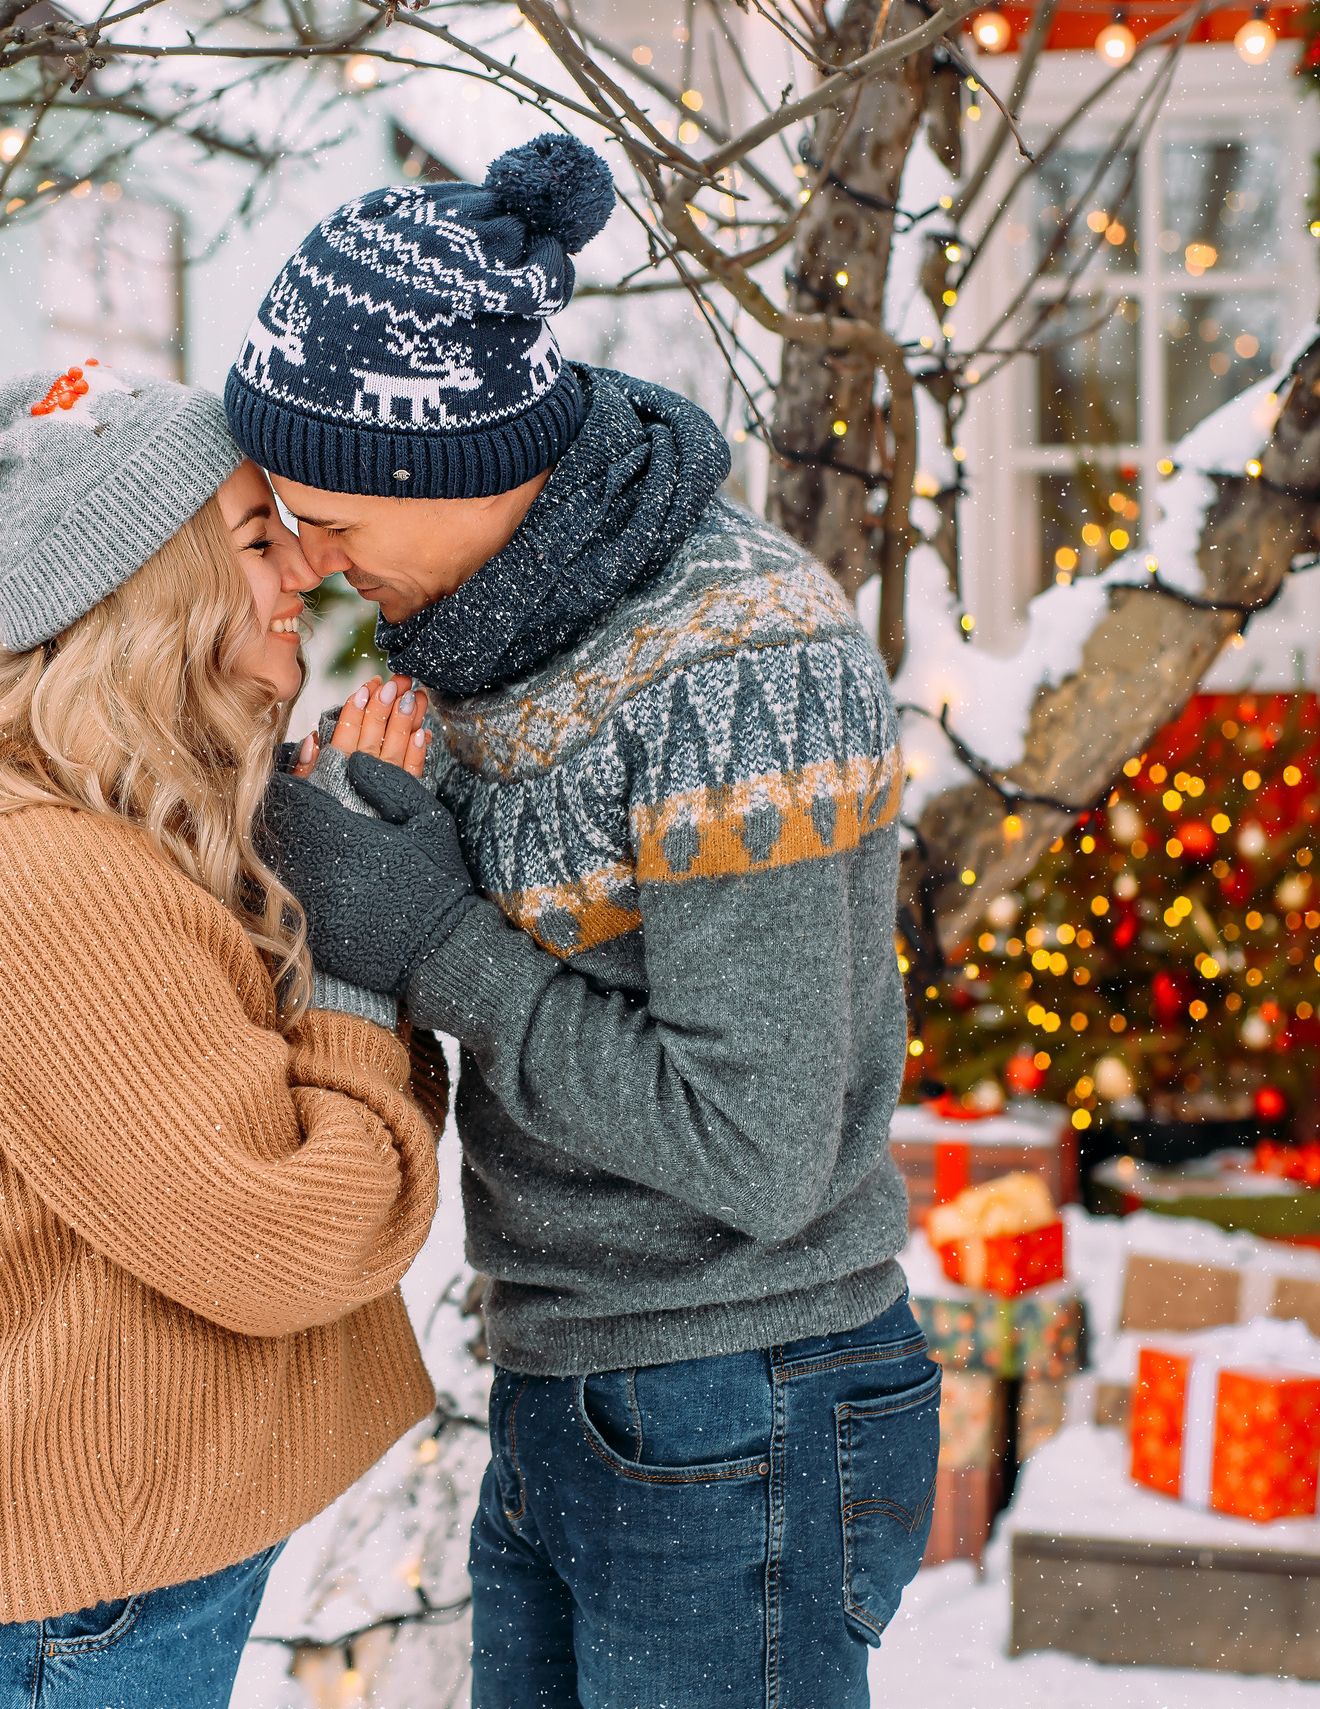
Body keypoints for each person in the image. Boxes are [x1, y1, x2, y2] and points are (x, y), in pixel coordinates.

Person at [241, 135, 941, 1708]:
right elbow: (548, 958)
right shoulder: (501, 633)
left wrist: (434, 936)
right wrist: (399, 856)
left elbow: (757, 1149)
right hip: (578, 1375)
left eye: (329, 519)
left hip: (739, 1389)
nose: (312, 563)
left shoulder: (731, 664)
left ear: (449, 465)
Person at [0, 364, 445, 1708]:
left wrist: (341, 896)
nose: (303, 573)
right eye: (256, 540)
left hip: (89, 1587)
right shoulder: (51, 878)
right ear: (155, 589)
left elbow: (291, 1132)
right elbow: (289, 1240)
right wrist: (356, 971)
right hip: (39, 1627)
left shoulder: (140, 839)